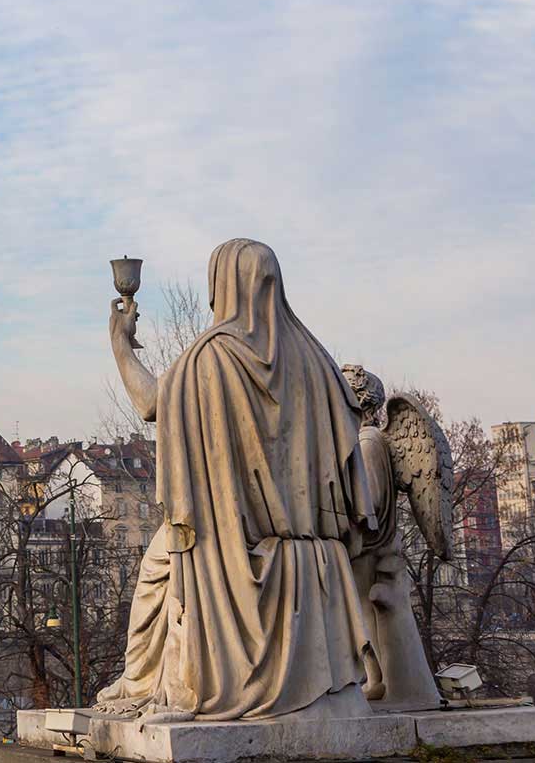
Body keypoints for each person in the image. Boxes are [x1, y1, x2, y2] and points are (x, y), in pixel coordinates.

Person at [97, 239, 373, 723]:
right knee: (160, 563)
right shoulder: (319, 362)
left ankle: (148, 681)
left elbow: (151, 404)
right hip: (313, 544)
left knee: (157, 569)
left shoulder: (213, 356)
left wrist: (120, 345)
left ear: (220, 287)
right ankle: (140, 679)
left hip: (224, 535)